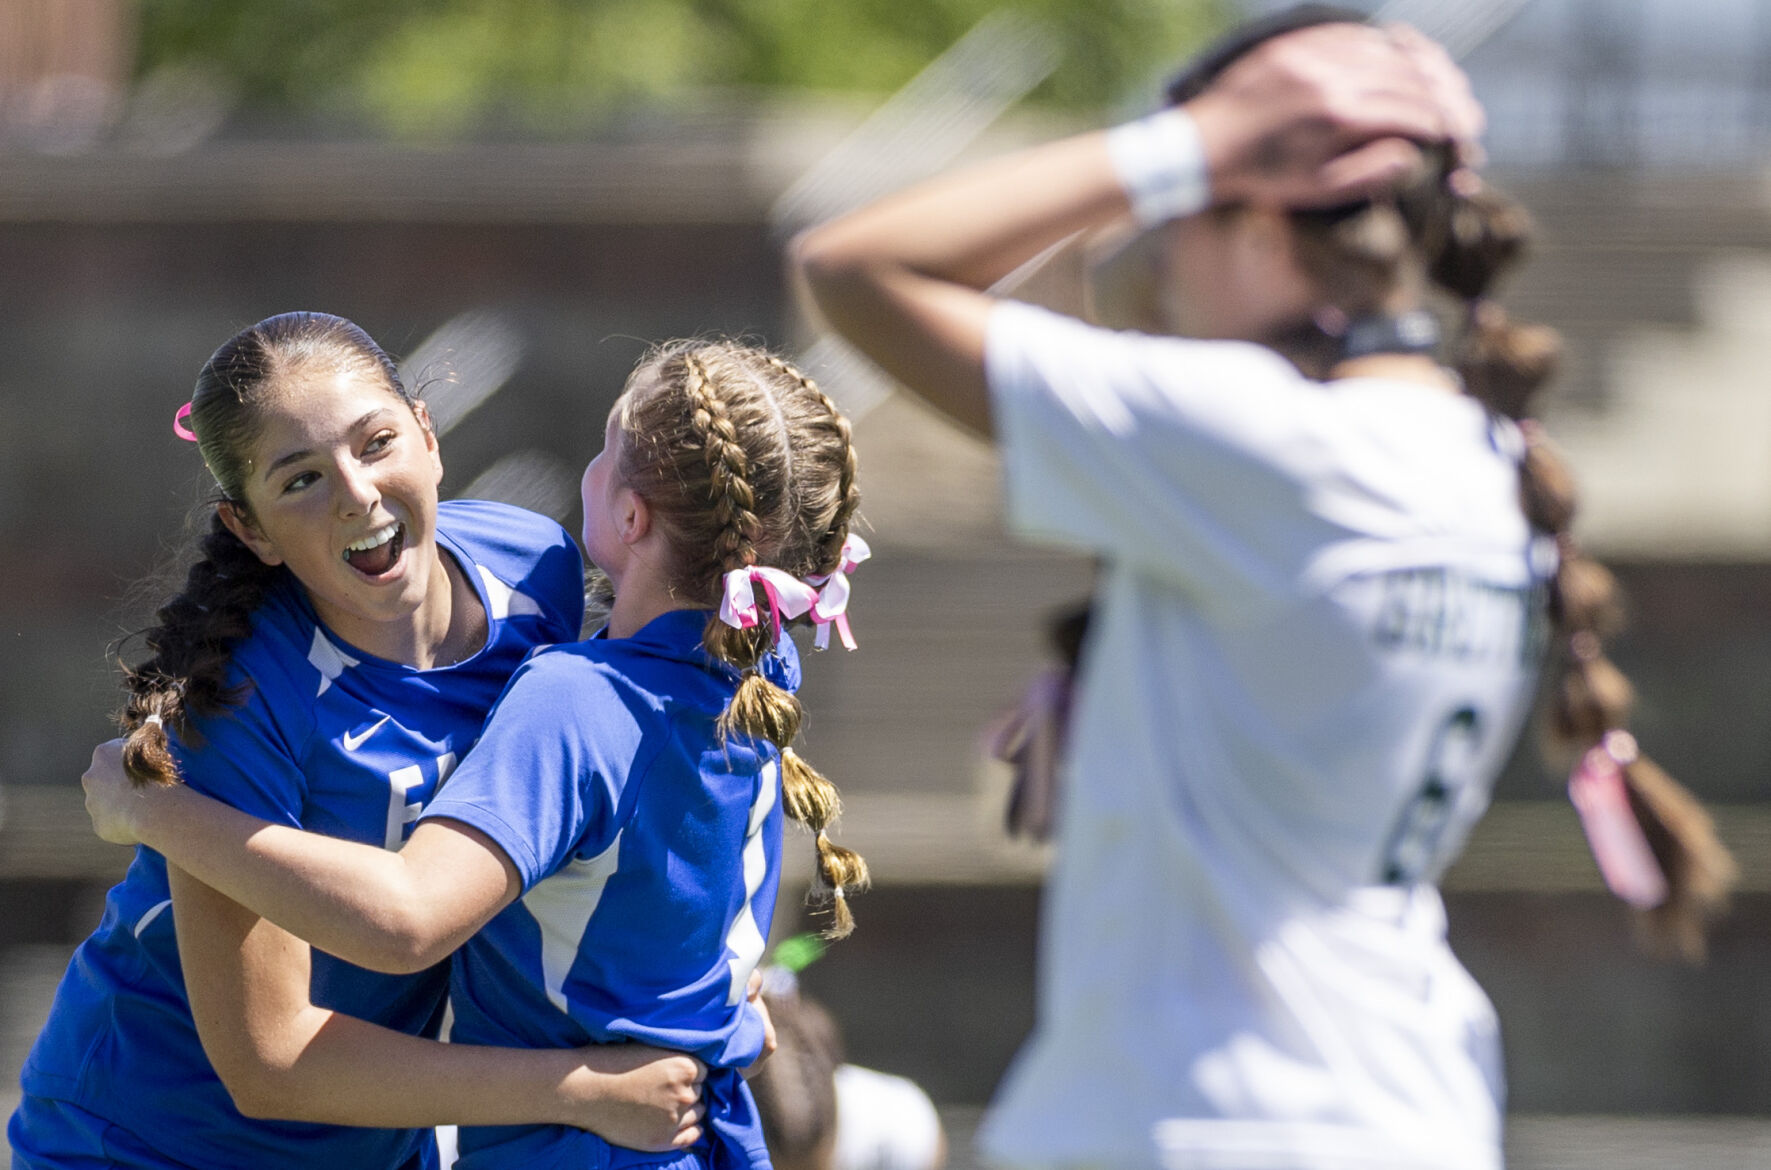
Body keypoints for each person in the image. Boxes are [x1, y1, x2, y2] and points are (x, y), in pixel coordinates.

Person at [791, 7, 1735, 1169]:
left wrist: (1187, 142)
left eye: (1175, 212)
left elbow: (854, 267)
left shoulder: (1264, 446)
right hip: (1406, 1115)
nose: (1141, 247)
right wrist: (1208, 170)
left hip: (1199, 1123)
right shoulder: (1482, 459)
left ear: (1257, 225)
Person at [79, 338, 870, 1169]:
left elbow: (409, 919)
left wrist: (154, 811)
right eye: (301, 477)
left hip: (580, 1144)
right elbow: (270, 1056)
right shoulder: (760, 664)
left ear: (427, 434)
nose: (355, 493)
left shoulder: (567, 678)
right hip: (150, 1139)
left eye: (375, 441)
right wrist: (701, 1013)